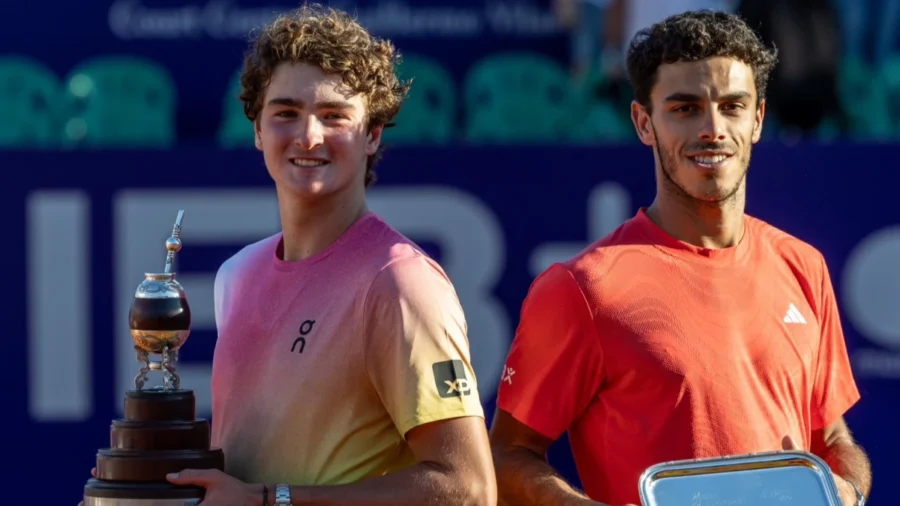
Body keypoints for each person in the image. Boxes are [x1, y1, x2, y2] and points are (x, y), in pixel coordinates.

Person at [489, 10, 871, 506]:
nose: (713, 128)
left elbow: (833, 439)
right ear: (644, 122)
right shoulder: (581, 287)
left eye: (732, 106)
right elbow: (505, 457)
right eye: (685, 108)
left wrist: (851, 487)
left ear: (757, 119)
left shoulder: (804, 265)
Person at [163, 4, 496, 505]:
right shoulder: (236, 275)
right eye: (286, 113)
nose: (308, 136)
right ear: (257, 130)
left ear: (373, 135)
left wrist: (268, 501)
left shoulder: (400, 282)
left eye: (334, 116)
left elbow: (467, 488)